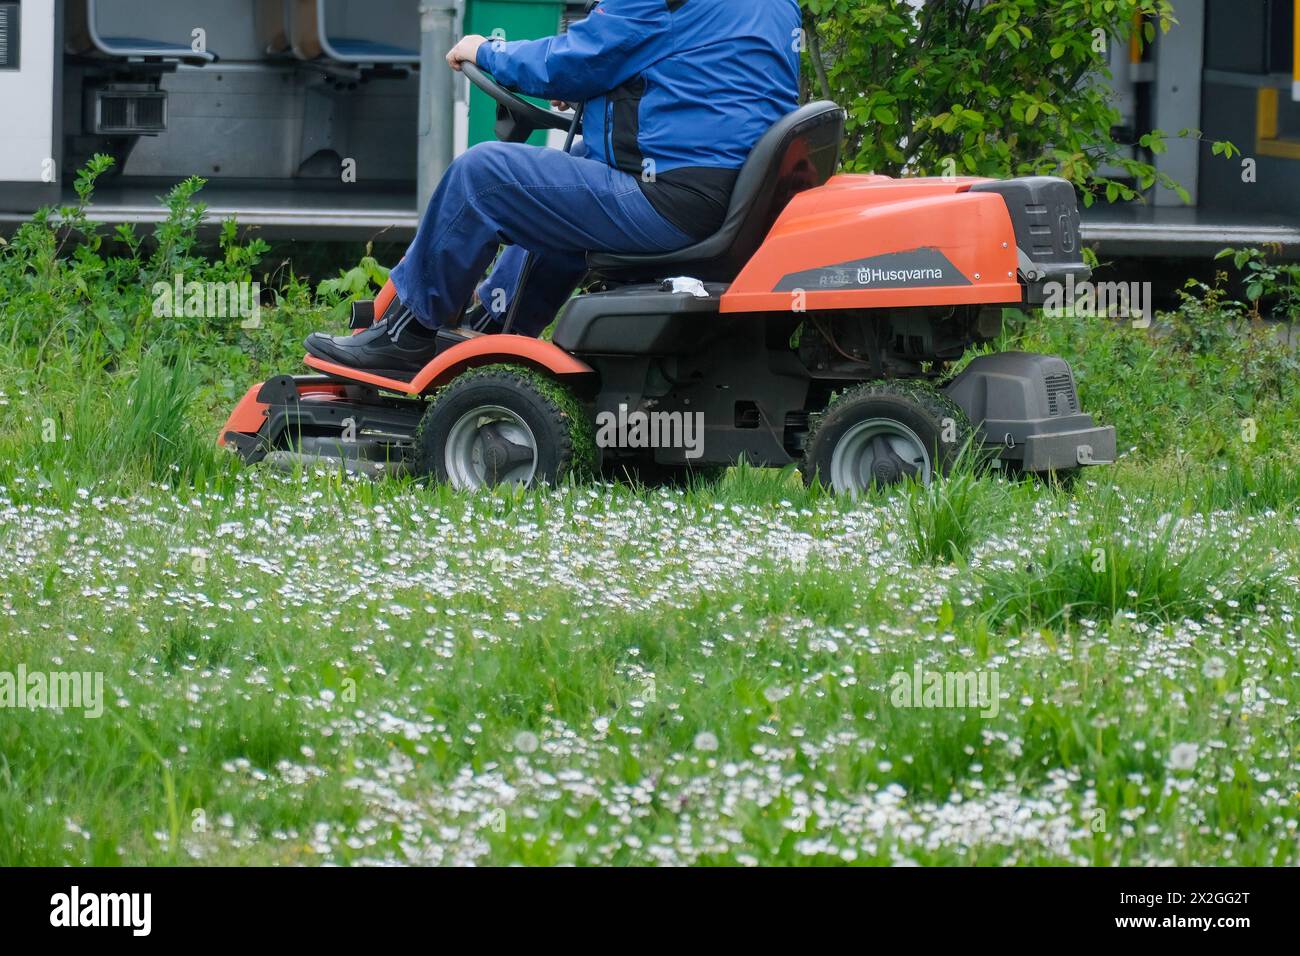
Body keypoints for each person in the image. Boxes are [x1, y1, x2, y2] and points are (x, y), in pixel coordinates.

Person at [306, 0, 802, 374]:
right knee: (577, 161)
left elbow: (573, 60)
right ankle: (494, 332)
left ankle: (408, 334)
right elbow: (701, 78)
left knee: (484, 176)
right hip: (736, 197)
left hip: (675, 202)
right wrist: (596, 92)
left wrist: (488, 51)